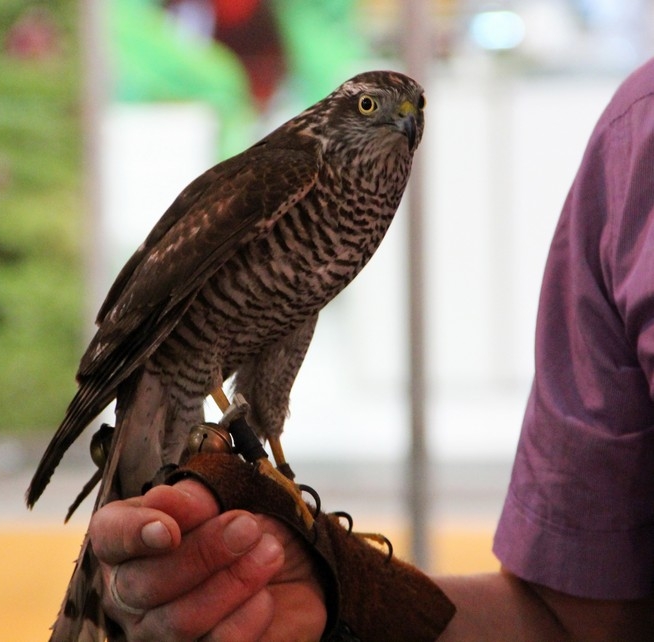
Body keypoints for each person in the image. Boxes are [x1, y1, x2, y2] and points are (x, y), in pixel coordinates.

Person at [90, 57, 654, 641]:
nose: (401, 123)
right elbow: (573, 623)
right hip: (174, 359)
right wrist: (341, 596)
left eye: (414, 114)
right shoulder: (285, 173)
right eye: (370, 108)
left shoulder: (373, 198)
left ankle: (274, 457)